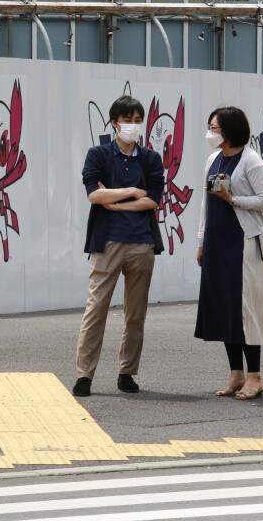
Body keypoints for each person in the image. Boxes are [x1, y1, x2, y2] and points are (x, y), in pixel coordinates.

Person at [72, 95, 165, 397]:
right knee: (96, 308)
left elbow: (153, 200)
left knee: (135, 313)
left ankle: (127, 371)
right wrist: (131, 192)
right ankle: (84, 375)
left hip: (142, 243)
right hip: (107, 242)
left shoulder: (151, 158)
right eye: (128, 120)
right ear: (114, 122)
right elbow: (94, 196)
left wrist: (116, 202)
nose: (133, 125)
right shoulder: (98, 154)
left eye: (138, 120)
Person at [195, 107, 263, 401]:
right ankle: (235, 374)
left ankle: (254, 375)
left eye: (215, 128)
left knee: (247, 309)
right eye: (210, 126)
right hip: (217, 240)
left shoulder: (250, 160)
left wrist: (233, 199)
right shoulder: (213, 159)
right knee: (225, 308)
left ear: (230, 129)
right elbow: (205, 203)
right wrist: (201, 242)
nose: (211, 133)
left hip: (243, 241)